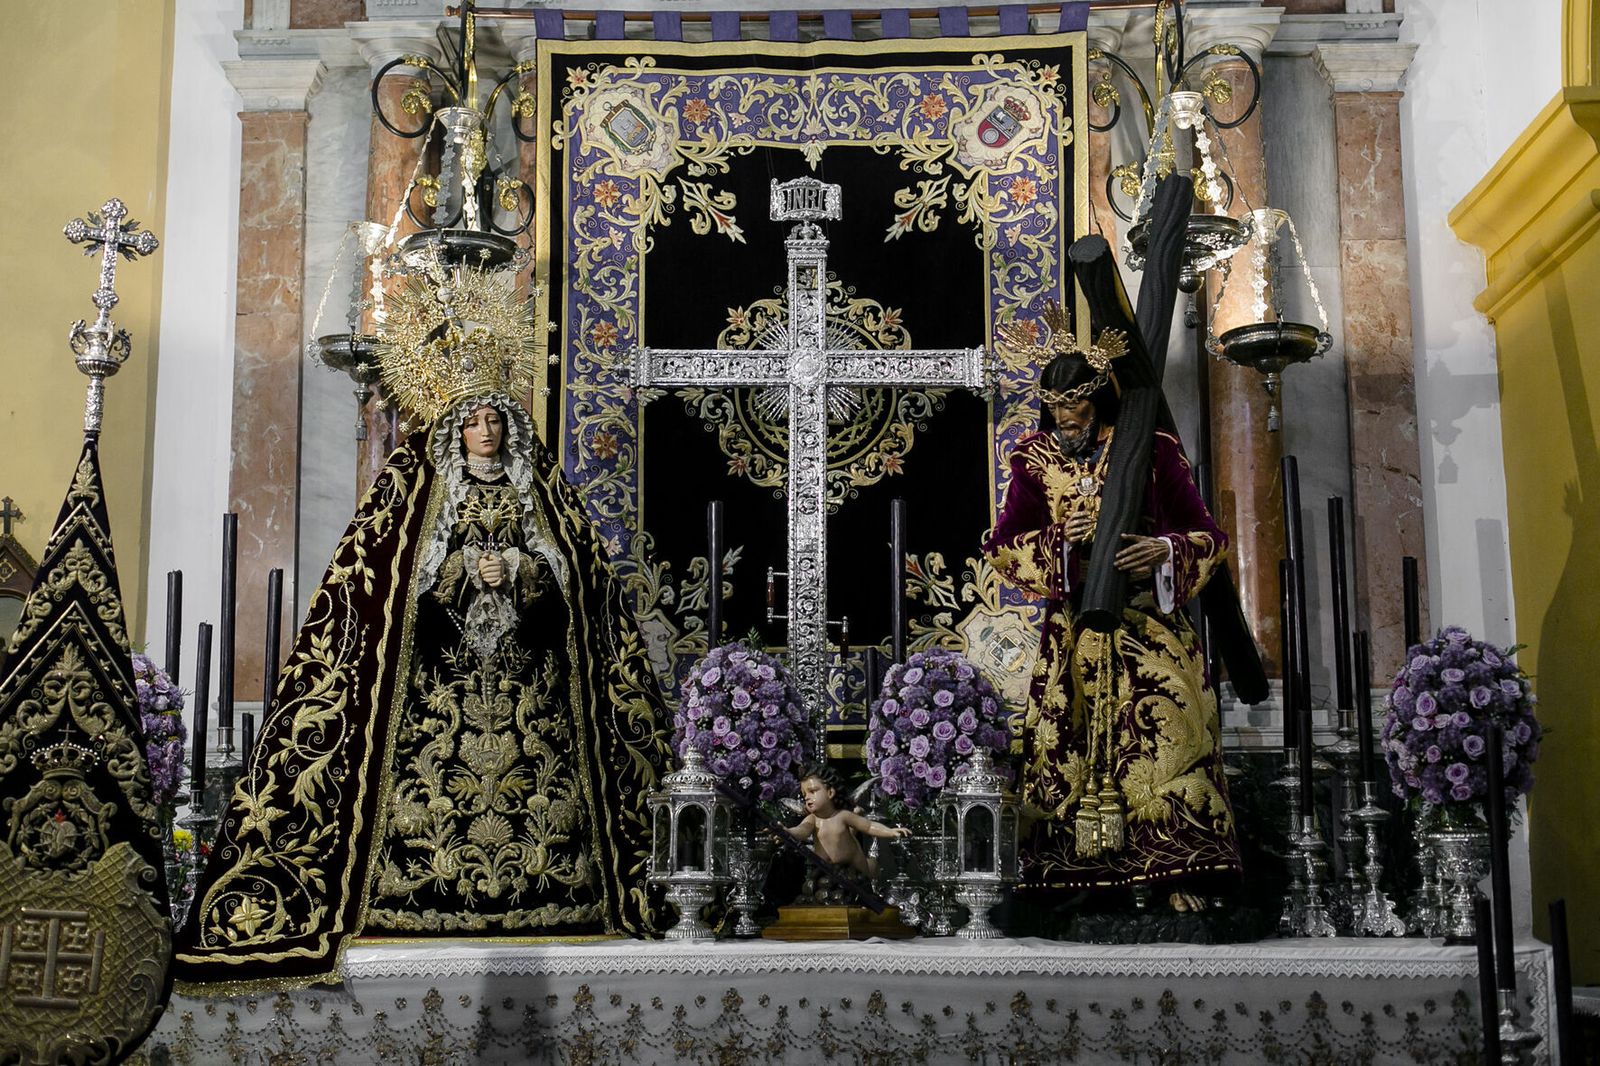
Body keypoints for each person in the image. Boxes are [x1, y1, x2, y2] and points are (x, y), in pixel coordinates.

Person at [175, 266, 671, 989]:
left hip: (531, 683)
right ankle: (409, 886)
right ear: (453, 428)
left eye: (495, 420)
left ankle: (559, 886)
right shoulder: (415, 491)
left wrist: (523, 570)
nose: (486, 431)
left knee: (545, 790)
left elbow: (579, 580)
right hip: (443, 683)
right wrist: (463, 571)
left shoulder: (542, 491)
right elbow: (385, 586)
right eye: (474, 421)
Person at [982, 334, 1240, 914]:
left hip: (1148, 623)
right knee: (1065, 746)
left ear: (1099, 398)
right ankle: (1077, 881)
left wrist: (1163, 550)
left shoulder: (1149, 446)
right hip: (1074, 632)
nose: (1063, 419)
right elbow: (1003, 546)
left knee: (1168, 738)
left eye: (1074, 405)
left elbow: (1209, 535)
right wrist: (1056, 541)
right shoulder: (1032, 459)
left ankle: (1176, 868)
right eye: (1053, 407)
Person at [786, 766, 910, 878]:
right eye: (804, 794)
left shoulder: (843, 816)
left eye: (812, 791)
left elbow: (868, 826)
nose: (807, 797)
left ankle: (871, 867)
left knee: (865, 876)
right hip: (825, 870)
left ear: (830, 792)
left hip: (853, 865)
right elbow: (802, 830)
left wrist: (890, 832)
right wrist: (788, 832)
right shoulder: (813, 819)